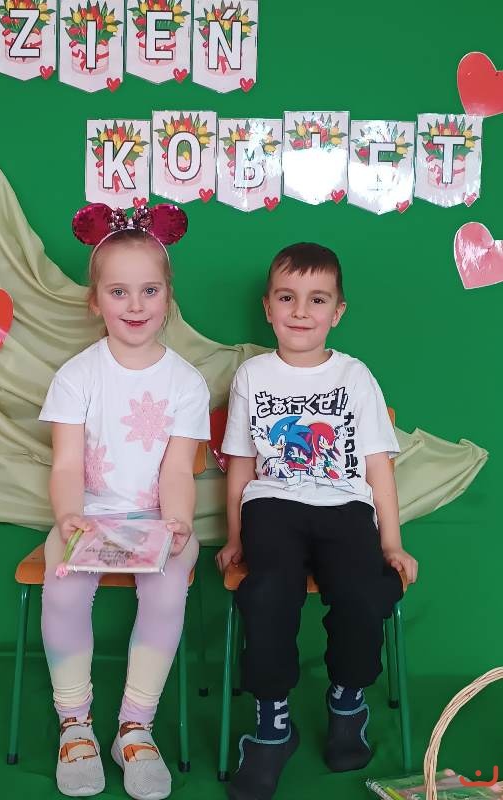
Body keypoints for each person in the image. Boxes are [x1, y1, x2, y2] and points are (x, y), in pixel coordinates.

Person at [216, 242, 418, 800]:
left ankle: (348, 702)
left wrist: (392, 543)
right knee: (267, 593)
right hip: (272, 506)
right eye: (287, 298)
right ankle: (271, 725)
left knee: (363, 591)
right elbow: (241, 464)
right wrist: (234, 536)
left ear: (338, 311)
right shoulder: (253, 376)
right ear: (268, 307)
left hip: (345, 507)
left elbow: (377, 465)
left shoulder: (355, 376)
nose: (301, 311)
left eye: (317, 299)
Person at [39, 204, 210, 799]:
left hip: (155, 519)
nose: (135, 305)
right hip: (87, 512)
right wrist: (68, 516)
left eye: (149, 290)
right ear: (96, 301)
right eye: (118, 292)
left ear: (168, 296)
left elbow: (177, 470)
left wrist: (177, 523)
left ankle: (135, 726)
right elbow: (66, 464)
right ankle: (75, 724)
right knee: (63, 585)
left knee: (168, 585)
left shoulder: (185, 382)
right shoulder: (77, 376)